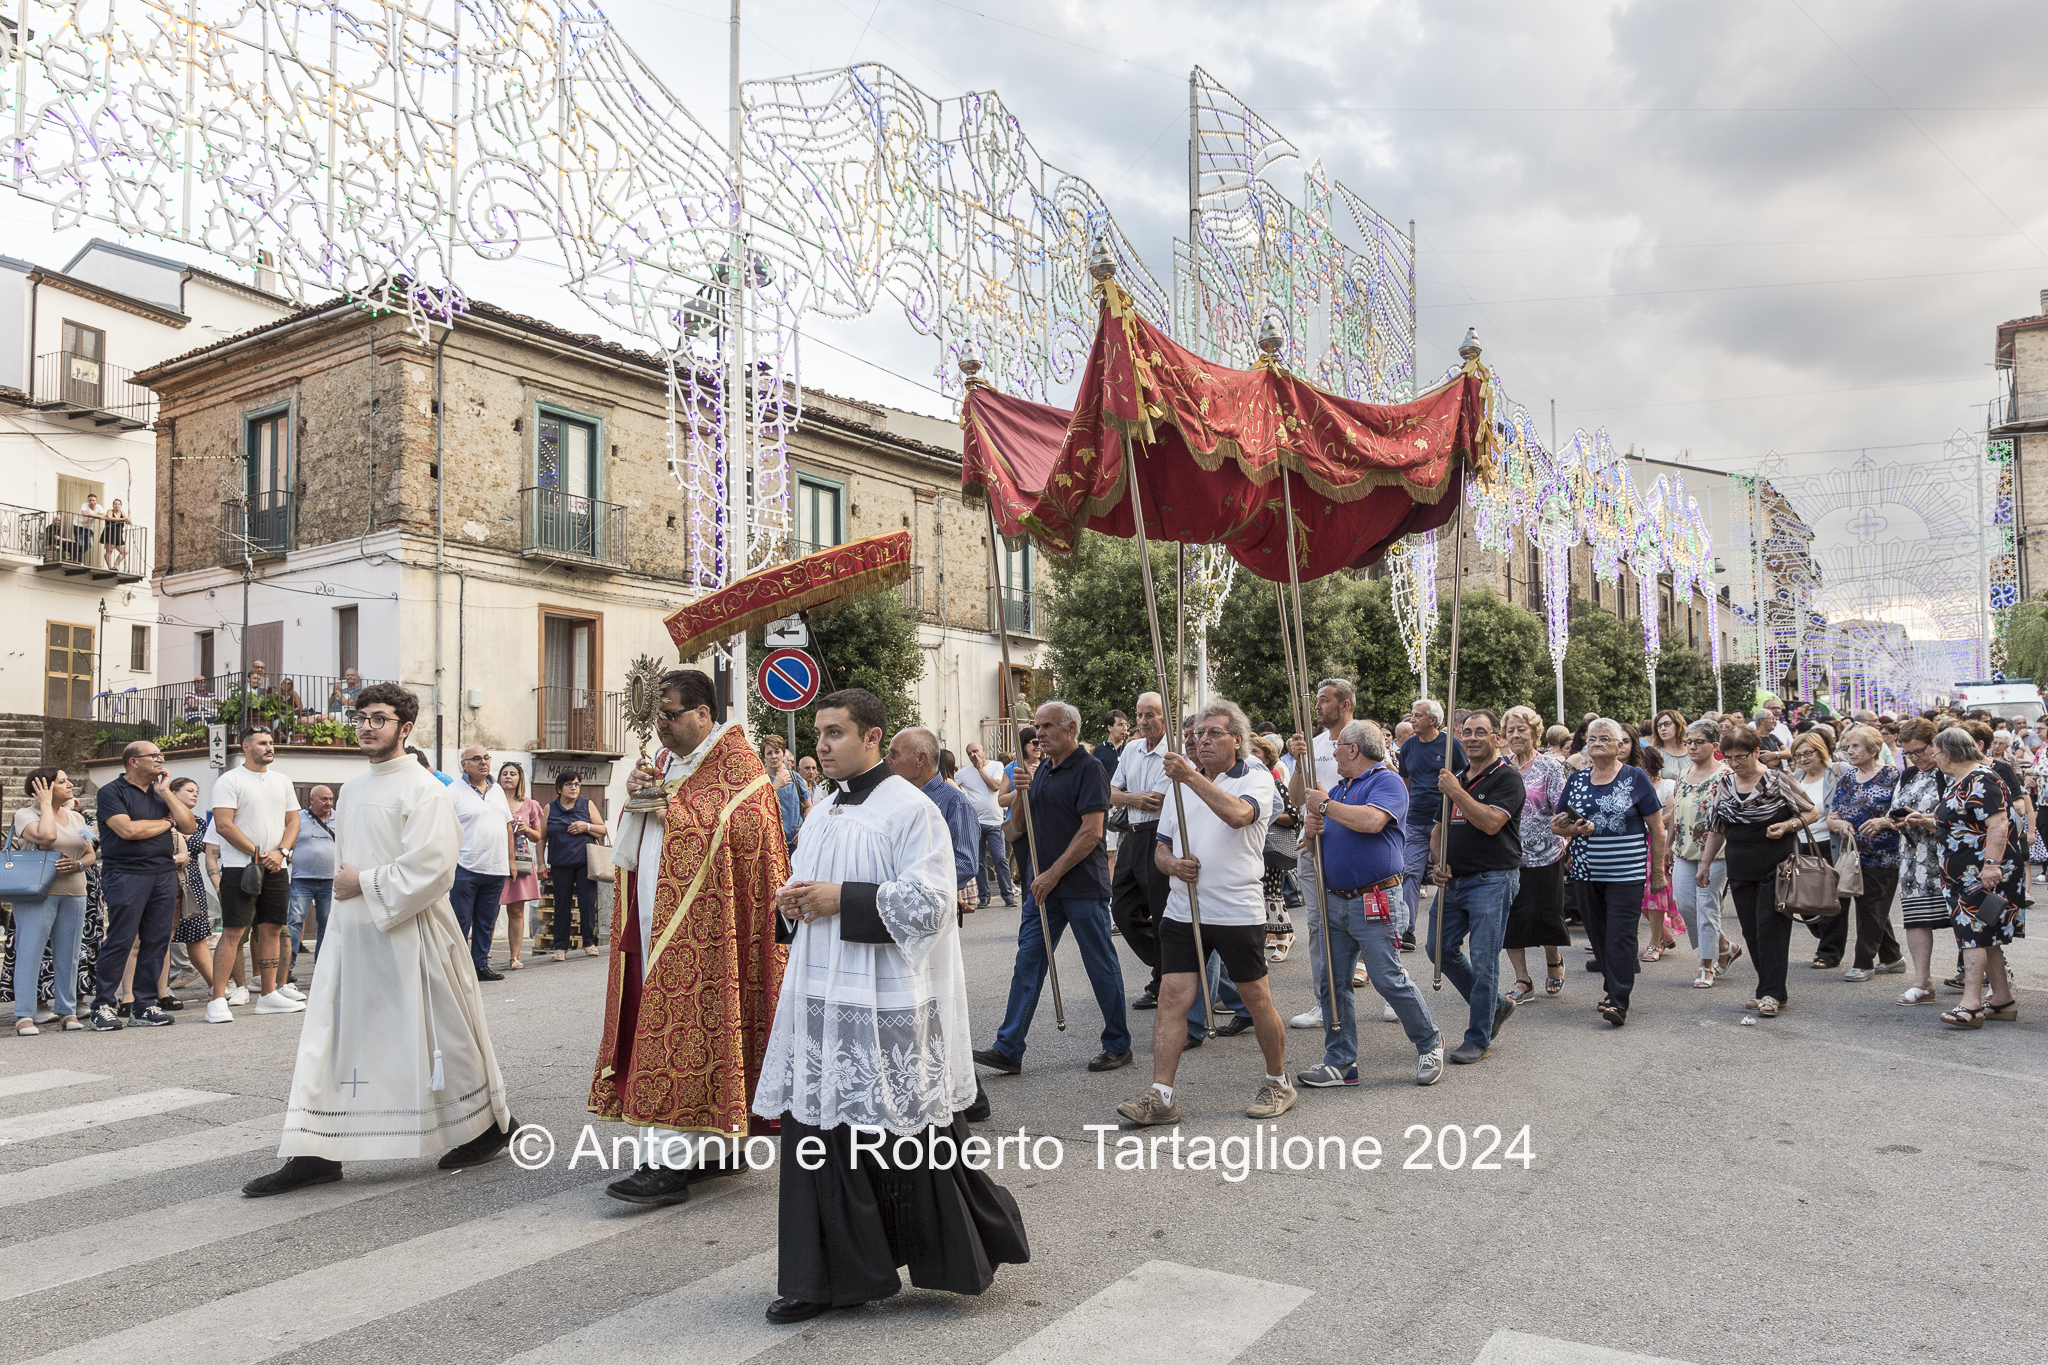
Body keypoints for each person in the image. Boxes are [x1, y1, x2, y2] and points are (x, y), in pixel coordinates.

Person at [753, 687, 1028, 1323]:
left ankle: (964, 1247)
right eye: (818, 734)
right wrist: (792, 902)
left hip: (885, 996)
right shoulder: (822, 809)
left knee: (908, 1134)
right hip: (822, 991)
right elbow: (807, 884)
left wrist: (840, 899)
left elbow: (932, 904)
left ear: (872, 737)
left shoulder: (911, 809)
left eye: (835, 733)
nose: (821, 745)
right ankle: (827, 1279)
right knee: (820, 1131)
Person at [242, 683, 515, 1195]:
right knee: (330, 1036)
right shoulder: (352, 788)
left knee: (440, 1035)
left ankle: (487, 1125)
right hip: (351, 933)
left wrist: (365, 883)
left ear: (404, 728)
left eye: (379, 719)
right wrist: (354, 892)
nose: (366, 727)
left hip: (412, 932)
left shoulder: (425, 789)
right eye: (361, 717)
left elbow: (435, 867)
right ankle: (316, 1151)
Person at [594, 668, 789, 1206]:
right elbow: (641, 834)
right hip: (652, 915)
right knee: (668, 1019)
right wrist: (638, 796)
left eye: (670, 714)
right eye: (657, 715)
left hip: (706, 929)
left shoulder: (740, 768)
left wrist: (673, 811)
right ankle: (713, 1149)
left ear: (703, 714)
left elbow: (743, 829)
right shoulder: (664, 763)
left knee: (684, 1023)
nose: (660, 726)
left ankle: (666, 1161)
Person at [1117, 700, 1296, 1125]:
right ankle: (1161, 1095)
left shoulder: (1255, 775)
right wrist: (1172, 865)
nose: (1203, 741)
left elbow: (1238, 815)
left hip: (1236, 909)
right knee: (1171, 997)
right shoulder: (1181, 783)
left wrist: (1191, 777)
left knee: (1255, 999)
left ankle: (1278, 1082)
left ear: (1237, 739)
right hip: (1184, 908)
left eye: (1214, 733)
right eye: (1198, 734)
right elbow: (1161, 847)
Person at [977, 701, 1132, 1075]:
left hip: (1081, 885)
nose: (1039, 733)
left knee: (1099, 964)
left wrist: (1053, 874)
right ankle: (1009, 1047)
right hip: (1042, 886)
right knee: (1027, 961)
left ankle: (1117, 1043)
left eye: (1047, 726)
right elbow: (1020, 826)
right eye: (1037, 726)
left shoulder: (1090, 769)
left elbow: (1092, 831)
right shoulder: (1042, 768)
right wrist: (1021, 792)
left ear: (1071, 728)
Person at [1294, 721, 1443, 1088]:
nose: (1333, 751)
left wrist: (1325, 805)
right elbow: (1315, 846)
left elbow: (1374, 822)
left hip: (1375, 899)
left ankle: (1429, 1043)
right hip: (1335, 900)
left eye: (1338, 745)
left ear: (1354, 749)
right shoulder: (1340, 788)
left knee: (1387, 979)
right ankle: (1340, 1061)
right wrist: (1311, 832)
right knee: (1332, 984)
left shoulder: (1386, 782)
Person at [1697, 725, 1815, 1019]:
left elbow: (1811, 812)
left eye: (1740, 757)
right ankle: (1771, 990)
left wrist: (1788, 825)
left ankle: (1770, 992)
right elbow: (1716, 828)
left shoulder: (1778, 779)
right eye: (1729, 757)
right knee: (1751, 932)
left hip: (1777, 867)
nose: (1734, 763)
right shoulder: (1725, 783)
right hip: (1740, 866)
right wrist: (1705, 864)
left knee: (1770, 929)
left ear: (1756, 752)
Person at [1425, 708, 1524, 1055]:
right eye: (1467, 732)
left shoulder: (1507, 778)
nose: (1472, 738)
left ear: (1496, 738)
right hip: (1454, 880)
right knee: (1438, 949)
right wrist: (1438, 861)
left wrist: (1456, 792)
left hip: (1492, 879)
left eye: (1481, 732)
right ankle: (1495, 1005)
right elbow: (1438, 831)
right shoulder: (1455, 778)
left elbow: (1491, 823)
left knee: (1484, 960)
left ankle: (1478, 1037)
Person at [89, 740, 197, 1031]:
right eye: (154, 756)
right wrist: (167, 823)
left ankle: (144, 1005)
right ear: (133, 761)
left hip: (163, 873)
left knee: (157, 940)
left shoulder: (161, 793)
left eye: (161, 755)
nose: (160, 760)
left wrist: (167, 794)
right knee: (121, 939)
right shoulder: (112, 791)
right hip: (126, 874)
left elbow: (189, 826)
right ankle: (102, 1006)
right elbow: (128, 830)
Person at [203, 725, 302, 1022]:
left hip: (277, 866)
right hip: (240, 867)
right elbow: (223, 825)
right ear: (246, 747)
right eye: (262, 743)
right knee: (234, 931)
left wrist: (281, 852)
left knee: (271, 929)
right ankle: (217, 999)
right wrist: (259, 854)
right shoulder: (230, 780)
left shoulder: (283, 780)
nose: (269, 747)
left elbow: (293, 822)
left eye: (271, 742)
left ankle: (269, 994)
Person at [1929, 726, 2023, 1029]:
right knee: (1987, 935)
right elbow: (1962, 822)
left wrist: (1991, 866)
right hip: (1964, 873)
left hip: (1981, 872)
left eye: (1935, 751)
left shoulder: (1982, 779)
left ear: (1949, 753)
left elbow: (1999, 823)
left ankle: (1971, 1004)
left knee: (1973, 934)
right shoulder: (1961, 780)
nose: (1933, 756)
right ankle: (2002, 1000)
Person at [1282, 678, 1357, 1027]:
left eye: (1325, 700)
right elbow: (1296, 798)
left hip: (1353, 845)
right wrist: (1299, 763)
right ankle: (1324, 1003)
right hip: (1311, 845)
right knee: (1318, 926)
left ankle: (1393, 993)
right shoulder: (1311, 745)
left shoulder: (1363, 737)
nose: (1317, 707)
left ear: (1345, 704)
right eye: (1317, 701)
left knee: (1368, 924)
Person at [10, 769, 94, 1035]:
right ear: (44, 787)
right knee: (30, 952)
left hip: (75, 891)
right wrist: (45, 804)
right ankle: (24, 1015)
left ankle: (67, 1011)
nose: (70, 784)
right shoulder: (25, 815)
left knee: (69, 954)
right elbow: (47, 836)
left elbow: (90, 854)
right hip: (36, 892)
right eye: (62, 781)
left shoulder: (76, 816)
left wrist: (78, 864)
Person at [1826, 724, 1907, 982]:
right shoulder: (1848, 777)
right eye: (1848, 746)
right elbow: (1832, 815)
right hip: (1854, 855)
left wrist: (1884, 822)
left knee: (1870, 907)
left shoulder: (1892, 776)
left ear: (1873, 750)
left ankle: (1863, 962)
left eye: (1856, 746)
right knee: (1871, 907)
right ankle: (1892, 957)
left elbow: (1905, 815)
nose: (1850, 751)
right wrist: (1839, 824)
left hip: (1884, 854)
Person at [1500, 707, 1568, 1002]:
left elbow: (1561, 809)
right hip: (1507, 854)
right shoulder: (1500, 767)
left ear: (1534, 733)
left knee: (1546, 913)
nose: (1516, 735)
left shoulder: (1550, 766)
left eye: (1522, 729)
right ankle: (1522, 979)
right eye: (1510, 730)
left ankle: (1553, 959)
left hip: (1545, 854)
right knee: (1511, 917)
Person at [1108, 692, 1171, 1006]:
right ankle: (1168, 963)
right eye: (1138, 715)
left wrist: (1126, 797)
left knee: (1161, 909)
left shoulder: (1173, 750)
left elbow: (1156, 801)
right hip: (1132, 835)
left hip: (1159, 834)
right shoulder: (1132, 748)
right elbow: (1109, 792)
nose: (1143, 721)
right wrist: (1132, 798)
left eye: (1150, 715)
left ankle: (1162, 981)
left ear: (1164, 716)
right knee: (1121, 907)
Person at [888, 727, 981, 919]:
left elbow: (966, 863)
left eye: (894, 754)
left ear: (921, 759)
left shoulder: (955, 802)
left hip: (928, 910)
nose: (887, 760)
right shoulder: (895, 797)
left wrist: (915, 890)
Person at [1670, 720, 1736, 989]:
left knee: (1707, 908)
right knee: (1685, 904)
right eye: (1689, 742)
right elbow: (1676, 813)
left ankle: (1706, 965)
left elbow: (1727, 818)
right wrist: (1669, 848)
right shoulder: (1683, 774)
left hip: (1715, 853)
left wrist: (1707, 860)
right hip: (1683, 851)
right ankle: (1724, 945)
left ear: (1715, 745)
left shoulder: (1725, 775)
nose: (1692, 747)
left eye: (1699, 742)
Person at [1398, 697, 1466, 952]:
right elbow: (1405, 781)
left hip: (1446, 820)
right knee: (1411, 873)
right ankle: (1406, 930)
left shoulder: (1451, 745)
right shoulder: (1408, 746)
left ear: (1433, 720)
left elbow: (1466, 778)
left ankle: (1453, 929)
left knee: (1448, 873)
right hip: (1415, 820)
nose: (1412, 719)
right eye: (1412, 714)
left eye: (1417, 715)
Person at [1891, 719, 1949, 1005]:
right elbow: (1894, 807)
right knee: (1916, 919)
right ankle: (1923, 982)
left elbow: (1960, 816)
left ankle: (1988, 978)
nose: (1914, 758)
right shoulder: (1909, 774)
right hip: (1914, 859)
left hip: (1947, 857)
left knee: (1963, 920)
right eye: (1908, 753)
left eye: (1919, 751)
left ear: (1935, 744)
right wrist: (1895, 820)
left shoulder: (1950, 772)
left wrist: (1925, 821)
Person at [446, 745, 514, 980]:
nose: (483, 762)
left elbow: (507, 825)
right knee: (460, 922)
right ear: (464, 765)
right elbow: (445, 830)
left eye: (486, 758)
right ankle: (456, 969)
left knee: (486, 923)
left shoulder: (498, 790)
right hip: (465, 867)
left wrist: (511, 861)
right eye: (476, 759)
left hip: (495, 867)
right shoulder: (452, 791)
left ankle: (480, 965)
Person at [1786, 730, 1845, 969]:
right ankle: (1828, 936)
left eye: (1808, 753)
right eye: (1798, 755)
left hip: (1830, 845)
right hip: (1800, 844)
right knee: (1805, 902)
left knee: (1832, 899)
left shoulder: (1839, 772)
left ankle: (1829, 952)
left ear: (1820, 751)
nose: (1803, 759)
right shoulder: (1794, 778)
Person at [540, 771, 607, 960]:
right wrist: (541, 863)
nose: (574, 788)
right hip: (560, 863)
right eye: (569, 784)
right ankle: (560, 947)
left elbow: (602, 829)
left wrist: (586, 826)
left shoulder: (587, 804)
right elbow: (542, 837)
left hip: (585, 862)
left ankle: (589, 943)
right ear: (559, 789)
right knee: (561, 905)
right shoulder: (550, 808)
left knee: (587, 903)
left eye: (577, 784)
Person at [166, 777, 217, 998]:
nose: (195, 794)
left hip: (192, 881)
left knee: (197, 936)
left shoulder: (199, 823)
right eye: (189, 790)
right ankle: (161, 988)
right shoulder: (162, 820)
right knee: (162, 937)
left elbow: (212, 851)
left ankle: (216, 986)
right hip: (166, 878)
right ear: (173, 793)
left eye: (196, 791)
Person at [958, 740, 1015, 908]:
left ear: (983, 750)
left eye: (975, 751)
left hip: (995, 822)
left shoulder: (997, 766)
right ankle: (984, 897)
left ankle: (1008, 895)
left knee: (1000, 859)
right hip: (975, 823)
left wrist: (980, 769)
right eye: (969, 753)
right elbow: (950, 783)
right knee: (979, 862)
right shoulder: (964, 773)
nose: (973, 755)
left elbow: (995, 786)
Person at [498, 762, 543, 970]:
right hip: (495, 859)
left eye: (513, 774)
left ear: (520, 779)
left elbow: (537, 836)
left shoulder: (530, 804)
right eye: (504, 773)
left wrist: (526, 829)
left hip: (520, 861)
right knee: (490, 910)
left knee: (516, 911)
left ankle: (514, 957)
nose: (508, 777)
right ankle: (483, 955)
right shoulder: (491, 800)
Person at [996, 728, 1042, 890]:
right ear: (1023, 745)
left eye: (1040, 742)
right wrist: (1021, 787)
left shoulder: (1047, 765)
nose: (1039, 746)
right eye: (1034, 743)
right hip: (1020, 826)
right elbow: (1001, 800)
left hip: (1042, 825)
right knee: (1025, 872)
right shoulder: (1012, 768)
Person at [1093, 710, 1129, 775]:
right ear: (1109, 727)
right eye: (1120, 725)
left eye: (1126, 724)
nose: (1125, 728)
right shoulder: (1099, 750)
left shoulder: (1130, 746)